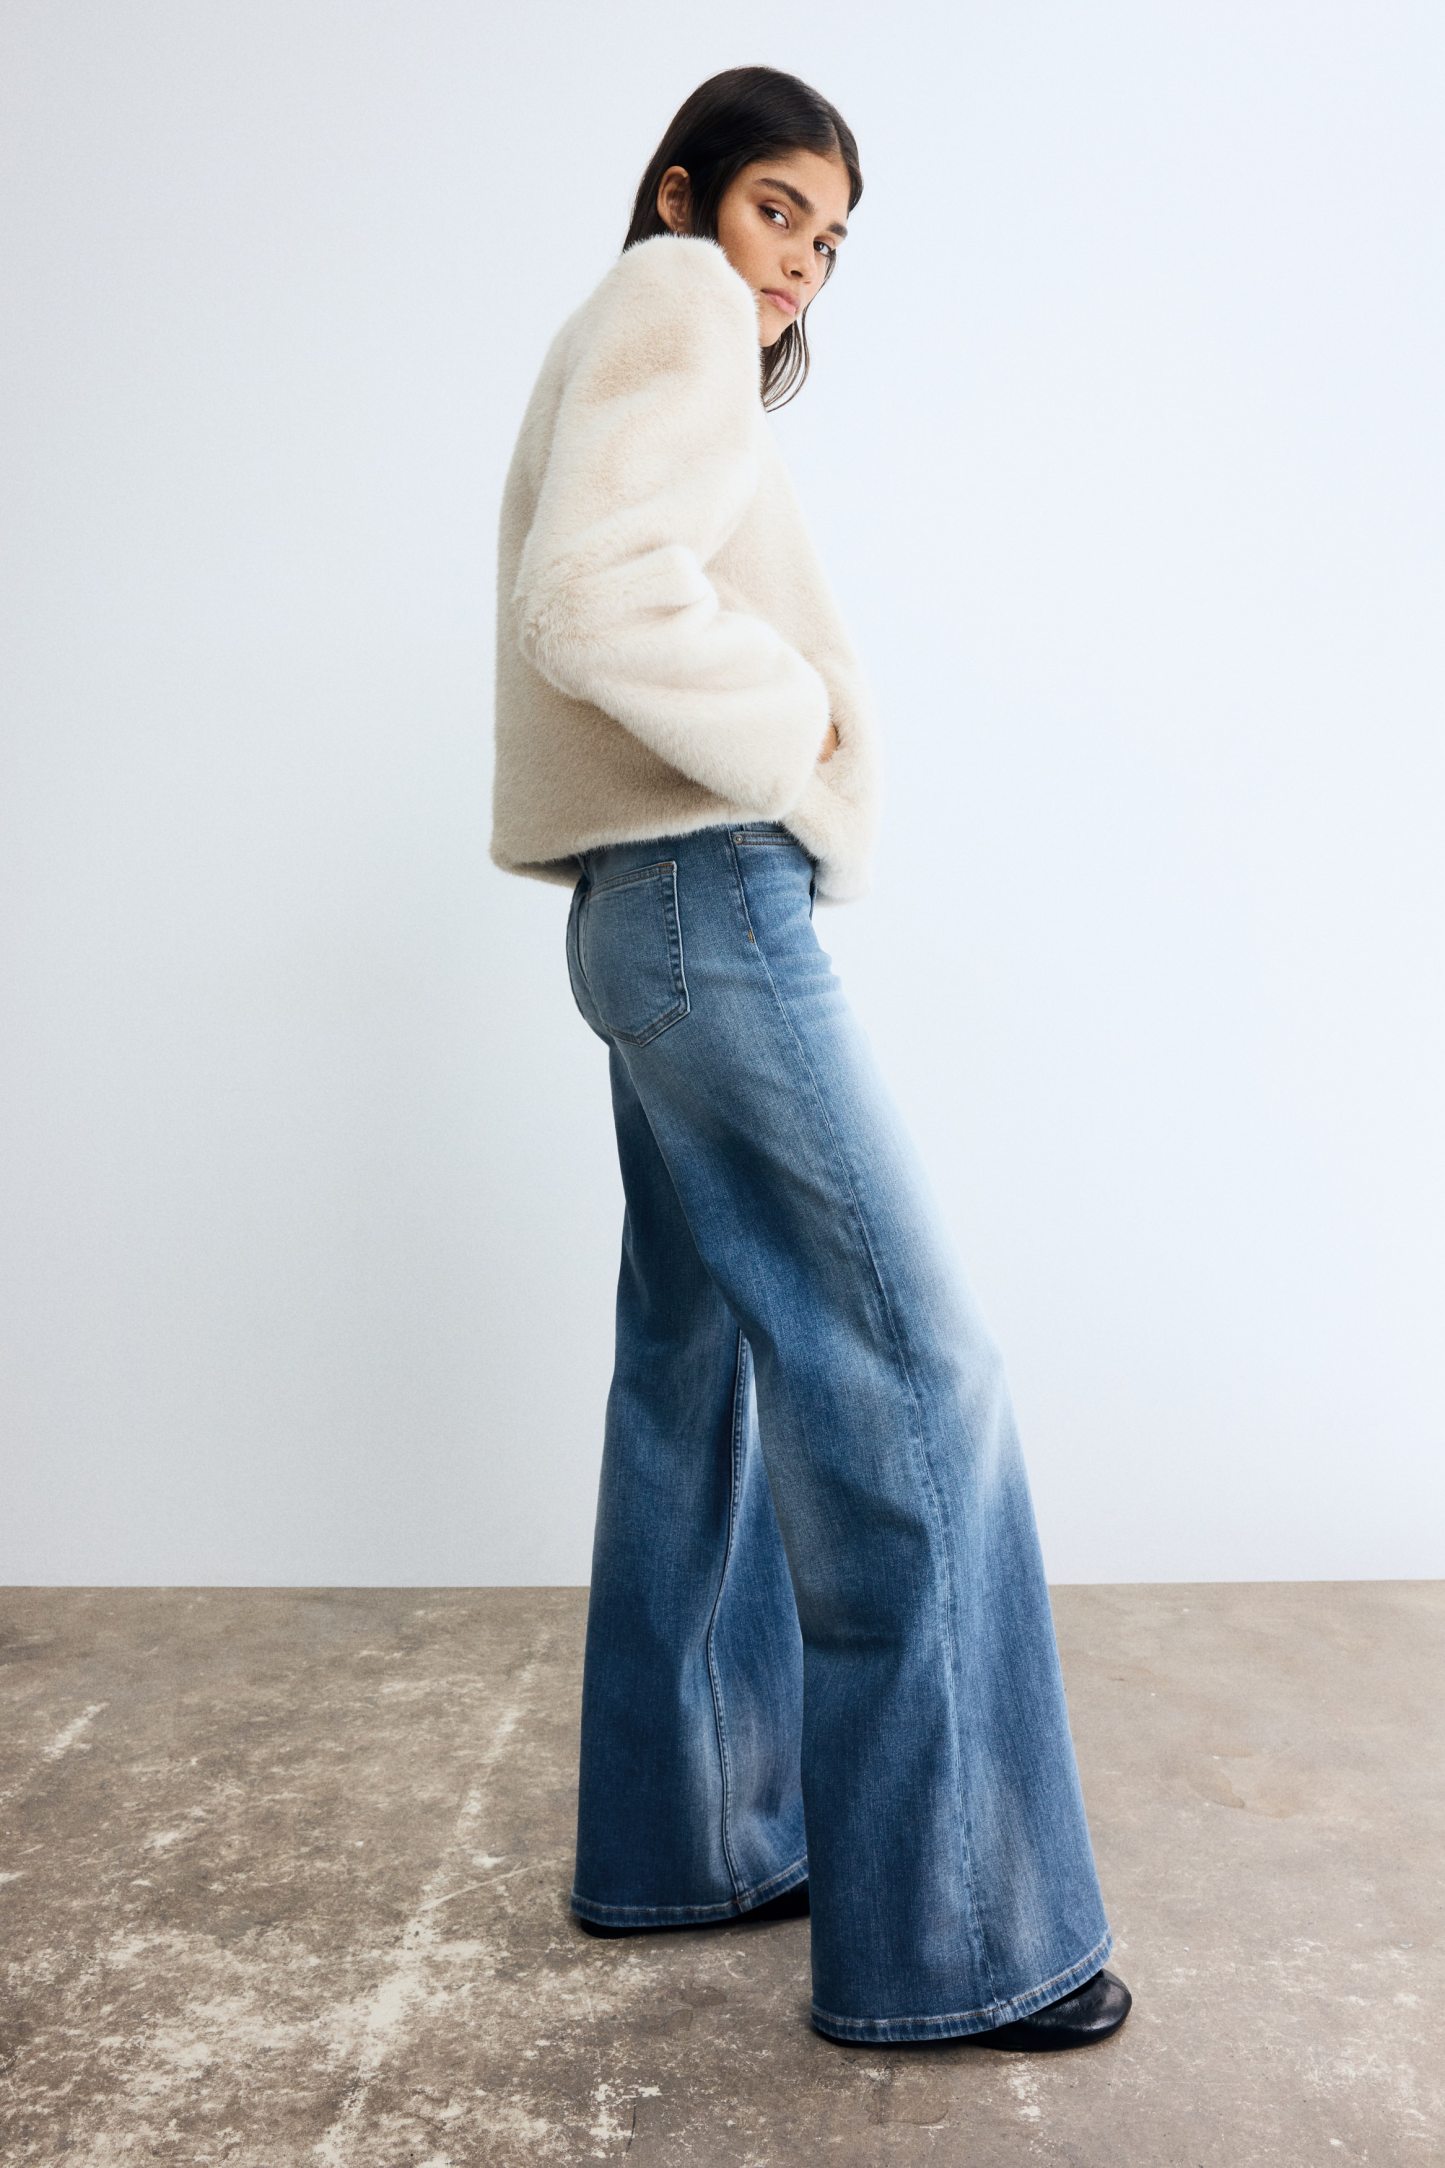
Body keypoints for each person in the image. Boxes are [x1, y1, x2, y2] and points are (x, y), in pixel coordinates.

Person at [490, 64, 1132, 2051]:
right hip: (705, 897)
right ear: (688, 192)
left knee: (693, 1377)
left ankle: (690, 1833)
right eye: (781, 212)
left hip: (642, 918)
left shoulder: (636, 324)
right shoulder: (672, 292)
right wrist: (804, 728)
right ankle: (965, 1935)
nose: (796, 270)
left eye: (831, 245)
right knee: (913, 1371)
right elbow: (591, 595)